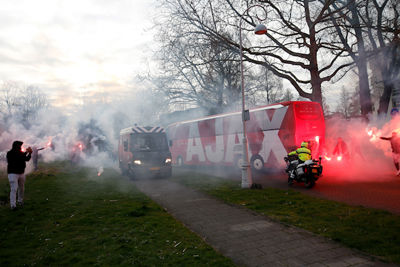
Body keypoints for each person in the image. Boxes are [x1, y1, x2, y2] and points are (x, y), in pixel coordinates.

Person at [6, 141, 32, 210]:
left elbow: (26, 159)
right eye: (19, 146)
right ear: (16, 146)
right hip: (13, 173)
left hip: (21, 173)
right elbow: (19, 157)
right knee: (14, 189)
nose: (20, 147)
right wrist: (27, 152)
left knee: (22, 188)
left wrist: (29, 153)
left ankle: (20, 201)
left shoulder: (20, 153)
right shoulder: (10, 153)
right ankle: (13, 205)